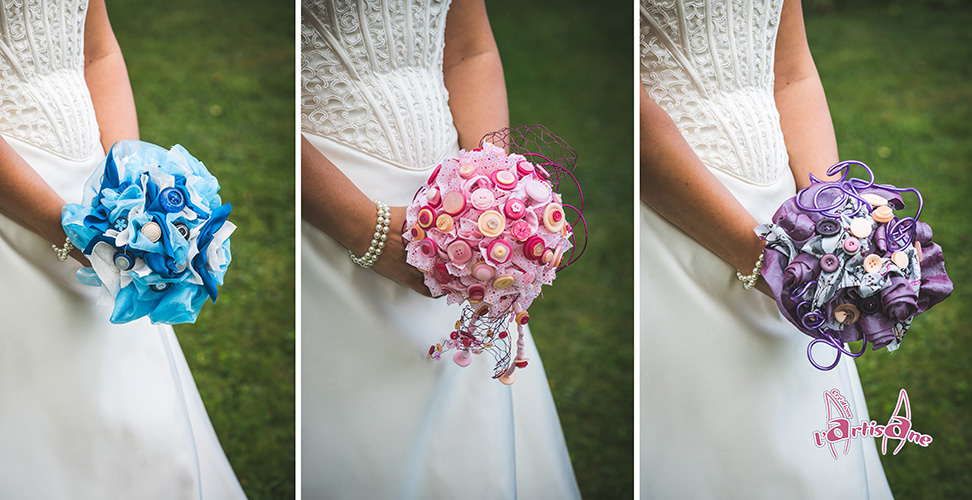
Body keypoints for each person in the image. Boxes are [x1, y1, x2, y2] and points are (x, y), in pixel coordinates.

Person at [300, 0, 580, 497]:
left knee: (468, 430)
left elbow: (469, 50)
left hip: (457, 192)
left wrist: (494, 196)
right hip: (335, 200)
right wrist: (366, 229)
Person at [640, 0, 893, 497]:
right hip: (680, 210)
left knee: (813, 438)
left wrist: (835, 224)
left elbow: (792, 72)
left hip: (788, 201)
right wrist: (768, 262)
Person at [0, 2, 245, 497]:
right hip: (15, 200)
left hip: (94, 180)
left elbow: (98, 51)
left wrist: (135, 188)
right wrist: (74, 232)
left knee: (139, 409)